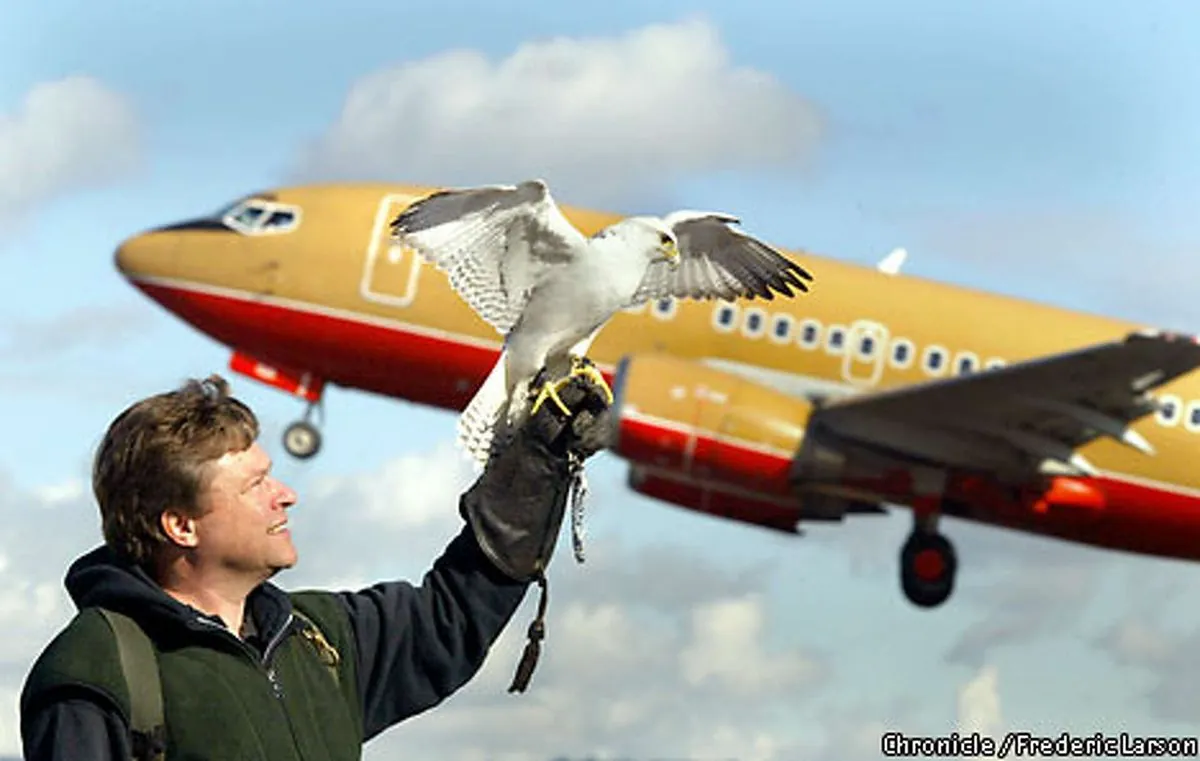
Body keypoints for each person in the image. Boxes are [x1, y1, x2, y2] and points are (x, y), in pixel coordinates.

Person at [19, 367, 612, 760]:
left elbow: (449, 617)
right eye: (254, 486)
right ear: (181, 525)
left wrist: (535, 464)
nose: (286, 494)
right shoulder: (98, 670)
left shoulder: (319, 640)